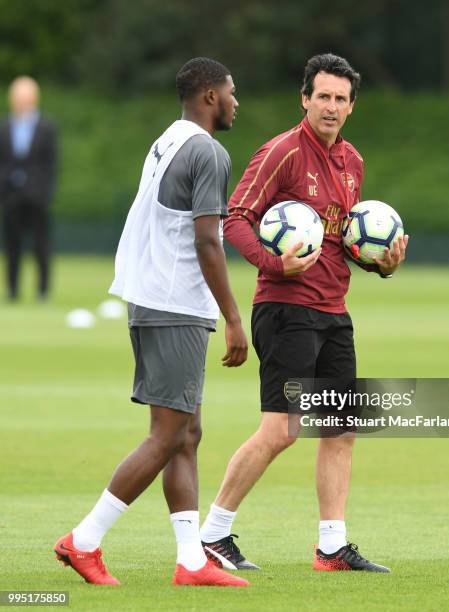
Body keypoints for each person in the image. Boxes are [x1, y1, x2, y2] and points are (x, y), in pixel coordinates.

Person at [200, 53, 408, 573]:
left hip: (334, 311)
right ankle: (212, 535)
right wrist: (276, 263)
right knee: (282, 430)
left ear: (351, 106)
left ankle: (332, 547)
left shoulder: (353, 163)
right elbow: (236, 220)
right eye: (323, 97)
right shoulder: (281, 151)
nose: (331, 107)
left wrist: (382, 265)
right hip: (284, 308)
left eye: (340, 98)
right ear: (305, 99)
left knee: (340, 430)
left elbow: (341, 246)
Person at [54, 58, 250, 588]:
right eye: (232, 92)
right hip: (175, 306)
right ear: (210, 95)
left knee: (187, 433)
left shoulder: (168, 138)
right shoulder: (209, 151)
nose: (237, 102)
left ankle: (191, 562)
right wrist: (234, 317)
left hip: (153, 300)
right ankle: (84, 541)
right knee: (166, 436)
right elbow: (209, 240)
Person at [0, 76, 57, 301]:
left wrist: (44, 191)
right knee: (12, 245)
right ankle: (12, 291)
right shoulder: (4, 126)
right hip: (11, 194)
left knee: (41, 244)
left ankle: (43, 291)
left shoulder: (47, 127)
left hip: (37, 195)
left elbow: (52, 163)